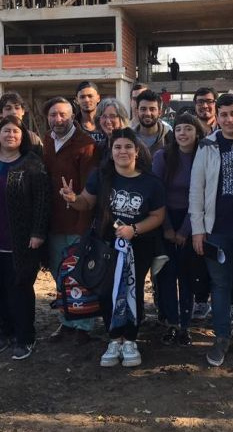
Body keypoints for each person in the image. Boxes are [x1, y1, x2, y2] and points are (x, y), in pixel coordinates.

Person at [61, 128, 166, 367]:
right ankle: (113, 338)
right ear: (111, 151)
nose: (122, 151)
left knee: (132, 290)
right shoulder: (100, 176)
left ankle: (130, 339)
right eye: (117, 147)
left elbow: (158, 216)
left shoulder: (151, 182)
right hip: (106, 247)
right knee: (107, 291)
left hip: (139, 247)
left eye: (128, 147)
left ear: (137, 151)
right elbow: (86, 202)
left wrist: (134, 229)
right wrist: (73, 199)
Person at [190, 93, 233, 366]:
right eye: (224, 115)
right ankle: (221, 336)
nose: (230, 119)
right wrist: (198, 229)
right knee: (220, 285)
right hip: (216, 230)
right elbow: (197, 189)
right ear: (217, 117)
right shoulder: (207, 145)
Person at [0, 116, 51, 360]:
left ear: (23, 137)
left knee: (20, 288)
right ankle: (5, 331)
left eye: (16, 131)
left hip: (21, 239)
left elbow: (43, 200)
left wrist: (38, 232)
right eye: (6, 131)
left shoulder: (32, 163)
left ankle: (25, 336)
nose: (10, 135)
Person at [42, 97, 99, 344]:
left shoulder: (86, 145)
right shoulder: (46, 141)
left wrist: (84, 223)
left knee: (80, 274)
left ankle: (83, 325)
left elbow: (90, 190)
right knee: (60, 275)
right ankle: (66, 321)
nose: (58, 119)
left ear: (73, 116)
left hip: (78, 222)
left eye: (63, 114)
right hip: (53, 222)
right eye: (53, 115)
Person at [152, 113, 205, 346]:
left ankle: (185, 326)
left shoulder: (203, 157)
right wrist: (167, 227)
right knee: (167, 274)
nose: (183, 133)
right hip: (164, 218)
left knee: (187, 275)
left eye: (189, 129)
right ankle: (170, 323)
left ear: (197, 133)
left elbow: (201, 195)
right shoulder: (163, 156)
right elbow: (157, 193)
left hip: (193, 219)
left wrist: (184, 230)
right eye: (179, 129)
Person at [134, 89, 172, 156]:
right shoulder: (129, 138)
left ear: (160, 112)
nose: (148, 113)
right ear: (137, 111)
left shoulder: (170, 138)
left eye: (152, 109)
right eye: (143, 109)